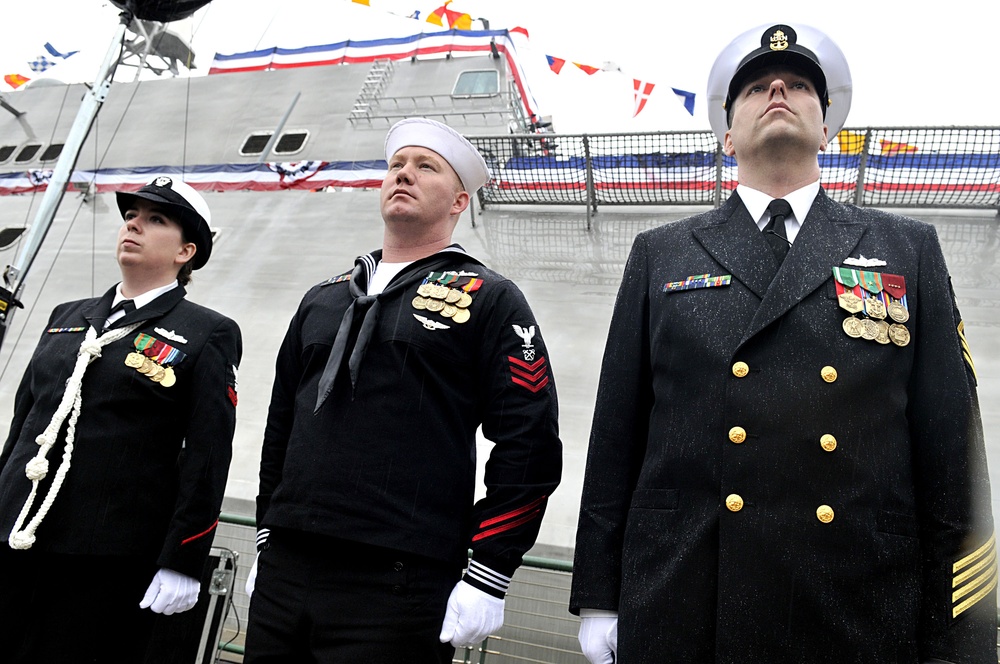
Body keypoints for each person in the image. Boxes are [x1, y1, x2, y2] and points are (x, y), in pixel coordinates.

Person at [570, 22, 996, 664]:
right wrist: (600, 594)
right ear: (726, 135)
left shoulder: (907, 247)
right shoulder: (660, 253)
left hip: (857, 602)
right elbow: (616, 435)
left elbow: (952, 454)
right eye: (755, 88)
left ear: (826, 130)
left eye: (799, 85)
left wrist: (962, 636)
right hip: (687, 598)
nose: (778, 88)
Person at [244, 117, 562, 663]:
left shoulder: (489, 298)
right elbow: (282, 427)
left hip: (399, 581)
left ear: (459, 200)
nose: (404, 175)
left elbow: (528, 441)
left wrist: (489, 571)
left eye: (425, 167)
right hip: (287, 570)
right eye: (396, 165)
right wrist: (267, 533)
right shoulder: (323, 298)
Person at [0, 176, 242, 663]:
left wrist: (184, 559)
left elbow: (208, 455)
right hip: (16, 537)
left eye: (156, 220)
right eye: (131, 217)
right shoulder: (67, 316)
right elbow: (24, 427)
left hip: (103, 557)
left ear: (186, 251)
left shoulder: (206, 332)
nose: (134, 225)